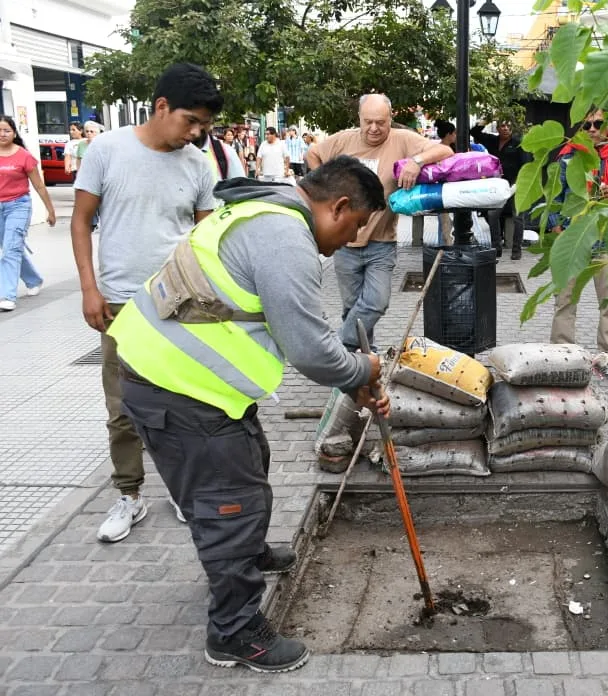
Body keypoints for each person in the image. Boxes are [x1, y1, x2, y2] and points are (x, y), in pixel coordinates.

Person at [106, 156, 389, 674]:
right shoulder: (284, 237)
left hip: (182, 381)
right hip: (178, 387)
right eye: (353, 227)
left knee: (248, 462)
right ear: (339, 205)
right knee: (226, 504)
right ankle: (234, 633)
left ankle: (247, 553)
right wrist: (362, 368)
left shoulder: (261, 210)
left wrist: (358, 378)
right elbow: (309, 349)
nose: (351, 240)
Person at [71, 63, 223, 543]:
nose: (197, 133)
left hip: (180, 304)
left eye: (205, 126)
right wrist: (89, 289)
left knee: (182, 403)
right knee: (123, 409)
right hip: (119, 304)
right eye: (191, 121)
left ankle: (182, 490)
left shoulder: (199, 165)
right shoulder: (107, 150)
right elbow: (81, 222)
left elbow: (205, 237)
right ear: (161, 107)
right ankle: (129, 496)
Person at [305, 93, 453, 352]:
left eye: (381, 122)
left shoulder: (402, 139)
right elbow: (312, 154)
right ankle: (360, 360)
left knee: (375, 302)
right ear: (360, 119)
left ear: (390, 119)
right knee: (353, 308)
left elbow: (445, 150)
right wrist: (323, 186)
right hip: (344, 244)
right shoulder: (343, 140)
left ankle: (336, 349)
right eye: (368, 122)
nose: (374, 128)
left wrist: (415, 162)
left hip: (381, 243)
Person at [548, 108, 608, 383]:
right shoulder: (569, 155)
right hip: (573, 242)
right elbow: (555, 194)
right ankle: (562, 356)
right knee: (564, 302)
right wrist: (556, 225)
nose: (591, 129)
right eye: (586, 124)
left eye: (597, 123)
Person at [0, 115, 56, 311]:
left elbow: (39, 186)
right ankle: (34, 279)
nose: (2, 134)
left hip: (18, 206)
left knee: (10, 249)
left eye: (6, 130)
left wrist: (50, 210)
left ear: (14, 133)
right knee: (11, 248)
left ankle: (7, 296)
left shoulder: (23, 155)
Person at [471, 115, 531, 259]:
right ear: (497, 127)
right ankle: (496, 247)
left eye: (508, 126)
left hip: (515, 184)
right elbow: (473, 132)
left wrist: (519, 184)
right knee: (493, 215)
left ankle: (516, 249)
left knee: (518, 217)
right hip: (497, 184)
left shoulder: (518, 143)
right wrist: (487, 119)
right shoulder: (492, 140)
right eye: (502, 126)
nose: (505, 128)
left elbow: (526, 165)